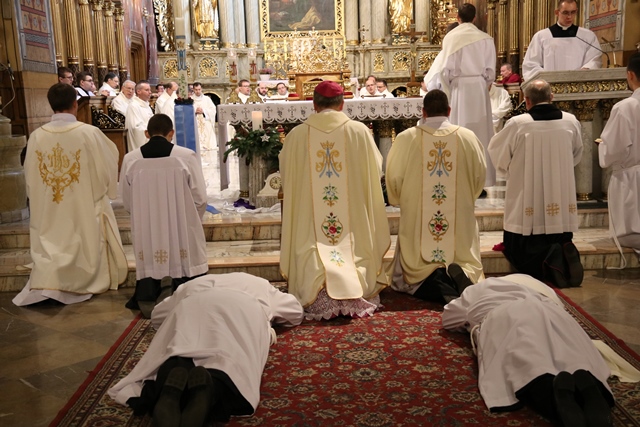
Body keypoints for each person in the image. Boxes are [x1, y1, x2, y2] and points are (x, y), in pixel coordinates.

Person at [108, 272, 304, 426]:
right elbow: (296, 313)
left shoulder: (190, 285)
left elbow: (157, 315)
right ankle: (210, 389)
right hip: (242, 305)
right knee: (228, 354)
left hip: (193, 302)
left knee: (179, 347)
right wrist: (270, 321)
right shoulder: (261, 285)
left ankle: (169, 384)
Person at [279, 81, 391, 319]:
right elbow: (376, 169)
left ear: (314, 104)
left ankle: (317, 284)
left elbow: (286, 174)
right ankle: (355, 282)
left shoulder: (297, 135)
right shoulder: (359, 131)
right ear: (342, 104)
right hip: (353, 221)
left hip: (311, 223)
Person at [442, 274, 614, 426]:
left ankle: (553, 395)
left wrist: (468, 321)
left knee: (528, 364)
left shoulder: (473, 292)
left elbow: (448, 320)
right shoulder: (531, 282)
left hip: (508, 313)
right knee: (569, 349)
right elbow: (558, 303)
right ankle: (591, 387)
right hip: (552, 312)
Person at [12, 83, 127, 306]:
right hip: (84, 204)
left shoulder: (36, 136)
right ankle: (79, 277)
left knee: (51, 235)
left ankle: (50, 276)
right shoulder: (89, 133)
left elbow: (30, 174)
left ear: (51, 105)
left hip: (49, 206)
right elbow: (108, 164)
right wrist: (103, 190)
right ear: (75, 103)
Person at [386, 89, 486, 304]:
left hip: (417, 214)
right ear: (449, 110)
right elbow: (479, 175)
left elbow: (393, 176)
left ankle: (436, 282)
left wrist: (400, 199)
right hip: (458, 213)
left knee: (416, 267)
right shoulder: (467, 137)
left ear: (423, 112)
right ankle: (460, 275)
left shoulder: (406, 138)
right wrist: (467, 196)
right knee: (460, 253)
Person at [488, 80, 584, 288]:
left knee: (521, 250)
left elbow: (498, 153)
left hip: (527, 201)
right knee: (558, 232)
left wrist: (510, 170)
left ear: (527, 100)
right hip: (560, 194)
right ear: (551, 97)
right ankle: (561, 248)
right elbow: (576, 154)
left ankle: (546, 258)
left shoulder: (518, 124)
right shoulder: (570, 121)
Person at [119, 114, 208, 316]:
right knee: (184, 250)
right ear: (171, 133)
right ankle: (184, 289)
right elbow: (200, 198)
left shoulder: (131, 159)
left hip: (147, 225)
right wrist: (191, 219)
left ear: (146, 134)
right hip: (181, 224)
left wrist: (142, 215)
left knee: (150, 252)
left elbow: (126, 199)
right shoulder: (186, 156)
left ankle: (149, 292)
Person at [424, 3, 497, 188]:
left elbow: (445, 69)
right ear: (475, 18)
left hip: (459, 88)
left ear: (458, 18)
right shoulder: (486, 38)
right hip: (479, 88)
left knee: (459, 130)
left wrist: (450, 86)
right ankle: (482, 180)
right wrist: (483, 83)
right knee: (480, 133)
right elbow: (490, 71)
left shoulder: (451, 37)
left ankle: (460, 178)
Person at [598, 53, 640, 264]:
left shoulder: (625, 107)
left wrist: (602, 146)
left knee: (631, 232)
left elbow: (613, 149)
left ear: (630, 75)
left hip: (631, 179)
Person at [522, 0, 601, 81]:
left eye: (573, 12)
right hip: (550, 85)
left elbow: (594, 60)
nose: (569, 16)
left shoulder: (587, 36)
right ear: (557, 12)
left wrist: (585, 71)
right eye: (565, 13)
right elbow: (531, 65)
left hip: (578, 84)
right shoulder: (541, 36)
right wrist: (547, 78)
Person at [125, 80, 154, 151]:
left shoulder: (146, 105)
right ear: (138, 91)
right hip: (140, 142)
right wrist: (152, 132)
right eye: (147, 90)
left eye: (150, 90)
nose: (150, 92)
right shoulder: (133, 106)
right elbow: (135, 127)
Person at [192, 82, 217, 151]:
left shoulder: (207, 99)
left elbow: (213, 110)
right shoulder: (190, 99)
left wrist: (204, 111)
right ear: (193, 90)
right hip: (195, 121)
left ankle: (207, 145)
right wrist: (195, 111)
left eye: (199, 89)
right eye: (196, 90)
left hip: (205, 119)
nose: (198, 91)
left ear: (201, 89)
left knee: (208, 127)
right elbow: (188, 111)